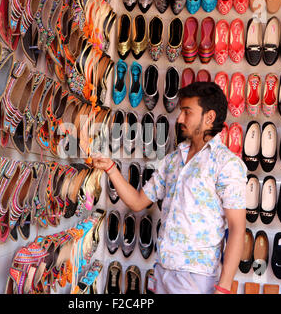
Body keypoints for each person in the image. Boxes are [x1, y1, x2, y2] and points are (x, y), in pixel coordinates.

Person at [92, 82, 247, 294]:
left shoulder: (227, 164)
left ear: (209, 117)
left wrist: (224, 287)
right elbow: (138, 202)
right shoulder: (173, 160)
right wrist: (110, 168)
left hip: (196, 276)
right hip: (163, 270)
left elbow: (237, 228)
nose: (180, 119)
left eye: (187, 112)